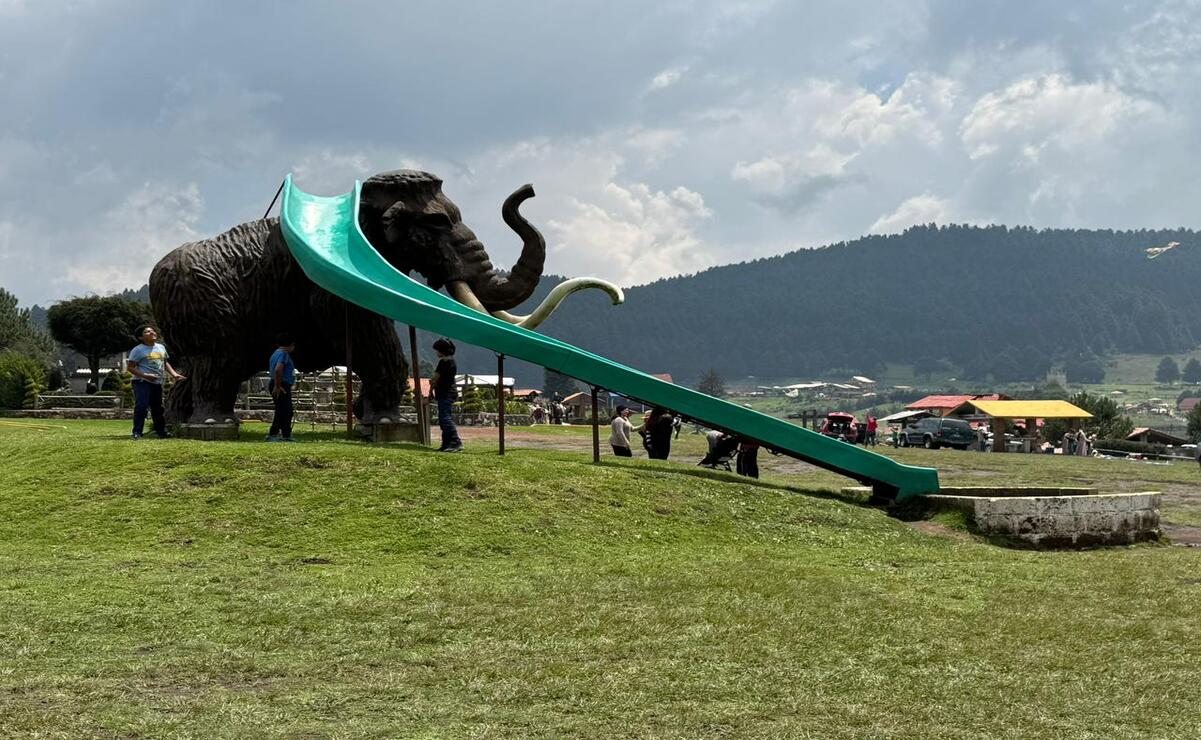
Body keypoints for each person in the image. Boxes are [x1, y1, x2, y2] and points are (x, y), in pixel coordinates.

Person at [126, 325, 186, 439]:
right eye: (147, 332)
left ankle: (161, 432)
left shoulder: (161, 347)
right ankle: (137, 432)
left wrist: (174, 374)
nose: (152, 332)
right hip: (141, 382)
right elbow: (130, 367)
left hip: (157, 382)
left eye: (152, 330)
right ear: (141, 337)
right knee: (141, 406)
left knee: (158, 407)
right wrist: (145, 375)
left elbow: (164, 362)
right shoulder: (138, 350)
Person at [429, 338, 462, 452]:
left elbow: (435, 378)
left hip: (446, 393)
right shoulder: (451, 361)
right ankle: (446, 444)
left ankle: (455, 442)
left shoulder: (444, 362)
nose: (436, 352)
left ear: (442, 351)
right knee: (444, 419)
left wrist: (431, 389)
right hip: (448, 393)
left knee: (445, 419)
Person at [266, 333, 297, 442]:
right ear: (291, 345)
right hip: (280, 385)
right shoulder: (283, 354)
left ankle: (286, 434)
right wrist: (278, 386)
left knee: (285, 410)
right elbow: (278, 369)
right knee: (283, 410)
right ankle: (273, 434)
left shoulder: (275, 353)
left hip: (279, 384)